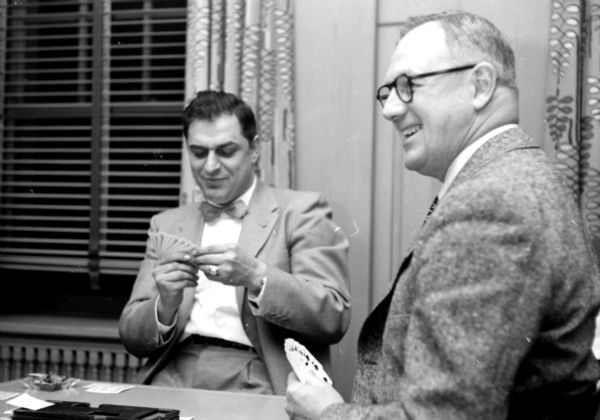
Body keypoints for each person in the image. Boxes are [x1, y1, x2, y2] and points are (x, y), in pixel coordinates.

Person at [285, 10, 600, 420]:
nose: (390, 110)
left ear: (480, 85)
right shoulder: (516, 177)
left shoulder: (491, 205)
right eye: (388, 92)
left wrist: (326, 413)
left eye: (407, 85)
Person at [119, 90, 351, 395]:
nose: (210, 166)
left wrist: (257, 276)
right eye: (199, 153)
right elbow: (132, 338)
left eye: (226, 151)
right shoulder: (166, 224)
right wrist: (165, 307)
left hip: (259, 377)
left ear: (254, 150)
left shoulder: (302, 212)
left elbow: (333, 317)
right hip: (173, 374)